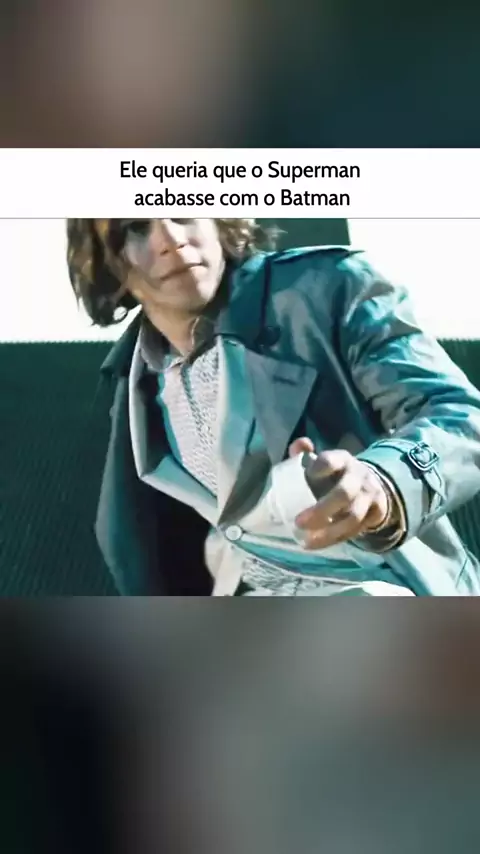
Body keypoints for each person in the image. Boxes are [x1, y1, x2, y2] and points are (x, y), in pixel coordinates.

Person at [67, 218, 480, 596]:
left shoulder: (329, 285)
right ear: (106, 262)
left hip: (378, 585)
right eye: (137, 227)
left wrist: (385, 480)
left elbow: (460, 415)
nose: (172, 239)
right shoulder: (135, 379)